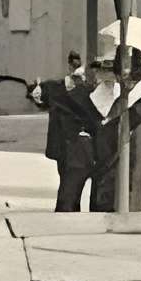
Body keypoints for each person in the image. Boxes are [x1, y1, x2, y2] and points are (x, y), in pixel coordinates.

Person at [29, 53, 100, 212]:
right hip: (62, 143)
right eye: (75, 66)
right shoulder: (55, 87)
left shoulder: (89, 90)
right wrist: (37, 92)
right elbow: (39, 96)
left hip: (78, 144)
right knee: (67, 182)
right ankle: (70, 212)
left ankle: (69, 212)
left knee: (71, 185)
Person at [90, 52, 141, 210]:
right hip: (109, 148)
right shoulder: (106, 90)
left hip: (124, 145)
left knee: (128, 176)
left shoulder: (140, 92)